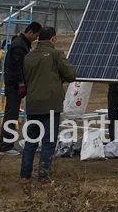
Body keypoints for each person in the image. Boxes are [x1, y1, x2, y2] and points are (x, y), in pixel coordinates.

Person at [20, 27, 76, 185]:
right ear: (53, 39)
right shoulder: (56, 55)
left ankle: (24, 176)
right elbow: (71, 74)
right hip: (50, 104)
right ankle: (43, 178)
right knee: (48, 142)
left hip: (32, 105)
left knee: (31, 140)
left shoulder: (28, 57)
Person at [0, 21, 42, 155]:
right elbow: (18, 67)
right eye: (36, 35)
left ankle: (8, 144)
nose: (36, 39)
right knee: (11, 115)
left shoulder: (21, 43)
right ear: (30, 32)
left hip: (15, 85)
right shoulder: (19, 46)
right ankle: (6, 146)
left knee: (13, 114)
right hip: (14, 86)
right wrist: (21, 84)